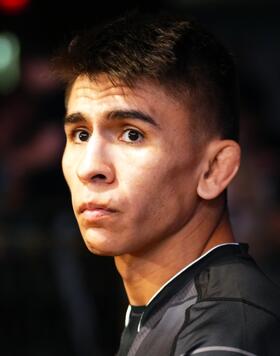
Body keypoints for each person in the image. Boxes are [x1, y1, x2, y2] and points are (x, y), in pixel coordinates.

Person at [53, 12, 280, 355]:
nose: (90, 167)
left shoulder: (226, 334)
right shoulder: (175, 308)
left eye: (132, 134)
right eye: (80, 134)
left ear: (215, 169)